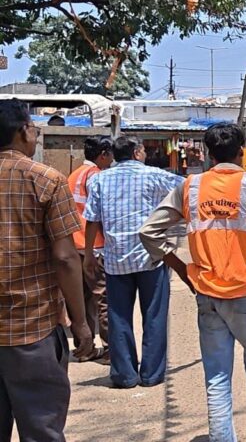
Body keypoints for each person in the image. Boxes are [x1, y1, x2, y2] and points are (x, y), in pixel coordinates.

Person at [140, 123, 246, 442]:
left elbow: (148, 231)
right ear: (241, 152)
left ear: (209, 154)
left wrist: (182, 269)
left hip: (207, 293)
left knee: (217, 375)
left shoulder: (191, 186)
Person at [0, 99, 95, 441]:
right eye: (34, 128)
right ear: (23, 131)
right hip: (31, 328)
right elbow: (66, 258)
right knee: (42, 431)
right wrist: (80, 323)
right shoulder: (46, 181)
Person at [83, 136, 183, 389]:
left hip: (115, 260)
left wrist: (89, 254)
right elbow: (188, 189)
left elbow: (92, 220)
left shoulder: (100, 179)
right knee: (154, 316)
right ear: (137, 152)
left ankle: (124, 375)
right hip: (151, 257)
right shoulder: (154, 175)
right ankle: (151, 374)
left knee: (118, 318)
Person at [68, 135, 115, 363]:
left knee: (81, 298)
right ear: (103, 154)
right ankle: (110, 350)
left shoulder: (74, 175)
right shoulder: (96, 176)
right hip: (94, 246)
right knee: (103, 298)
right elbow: (101, 214)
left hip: (74, 245)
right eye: (111, 154)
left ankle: (84, 348)